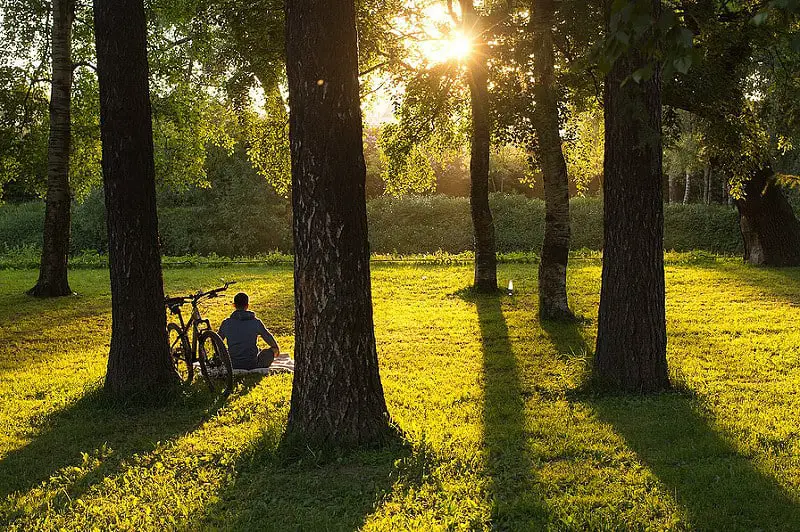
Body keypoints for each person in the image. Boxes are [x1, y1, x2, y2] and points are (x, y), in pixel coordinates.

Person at [218, 292, 280, 370]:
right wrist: (276, 348)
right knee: (271, 351)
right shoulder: (256, 322)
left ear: (234, 305)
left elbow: (217, 343)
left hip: (232, 364)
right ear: (247, 306)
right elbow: (268, 337)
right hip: (253, 364)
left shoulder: (226, 323)